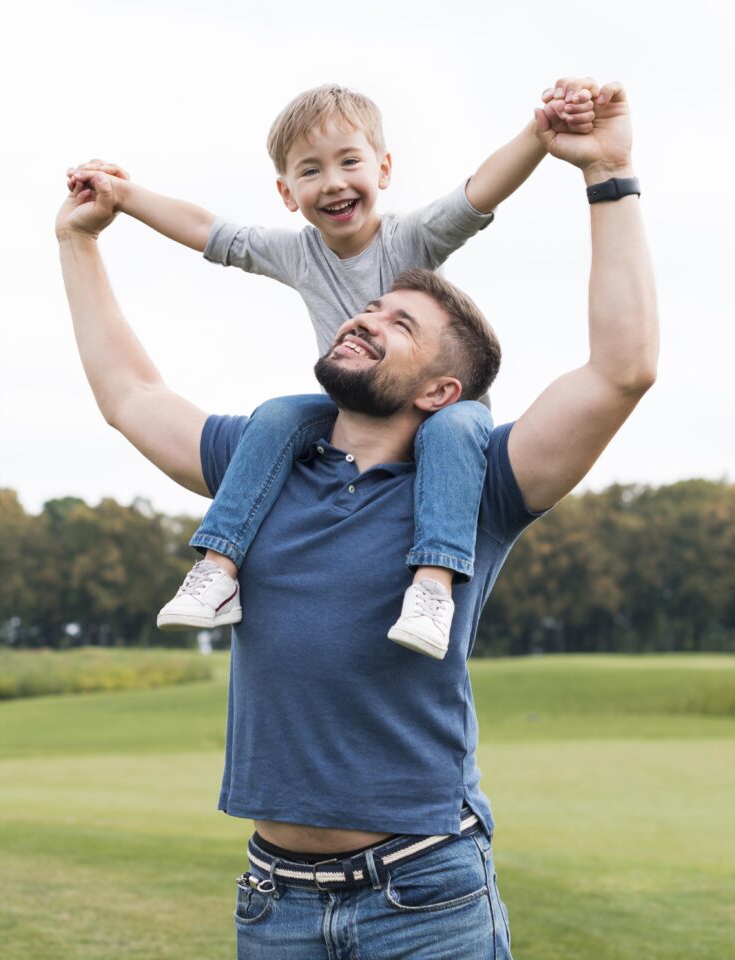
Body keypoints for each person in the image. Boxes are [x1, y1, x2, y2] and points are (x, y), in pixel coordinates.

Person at [58, 80, 657, 959]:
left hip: (425, 896)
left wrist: (608, 172)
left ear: (441, 389)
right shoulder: (259, 470)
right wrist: (80, 242)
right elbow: (129, 394)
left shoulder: (479, 482)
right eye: (370, 307)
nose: (365, 316)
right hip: (274, 904)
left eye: (400, 321)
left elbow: (622, 370)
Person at [66, 78, 597, 660]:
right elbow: (207, 231)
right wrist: (122, 194)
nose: (335, 182)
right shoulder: (298, 253)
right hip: (353, 412)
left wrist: (539, 136)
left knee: (453, 427)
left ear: (384, 170)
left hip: (440, 418)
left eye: (350, 161)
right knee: (280, 414)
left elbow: (477, 193)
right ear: (288, 192)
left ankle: (433, 584)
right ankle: (218, 568)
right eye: (310, 170)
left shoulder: (410, 239)